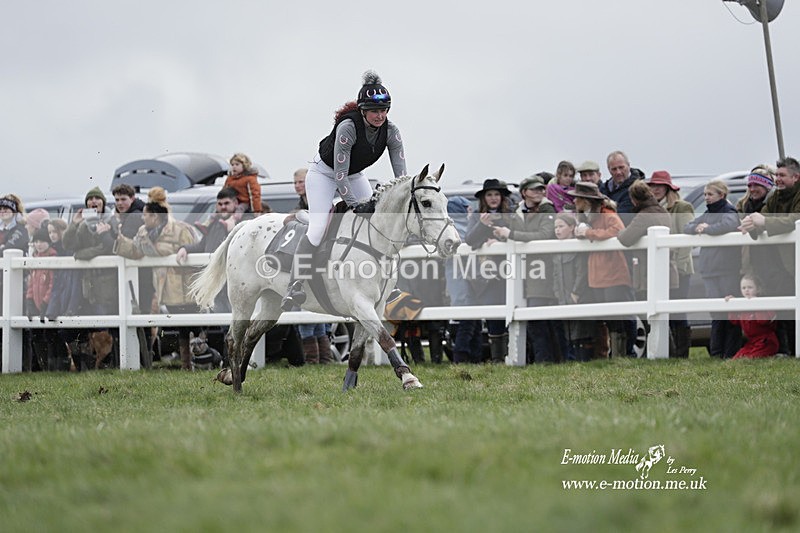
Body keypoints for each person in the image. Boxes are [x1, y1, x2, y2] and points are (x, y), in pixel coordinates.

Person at [281, 70, 407, 311]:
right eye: (374, 111)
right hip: (324, 174)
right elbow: (339, 175)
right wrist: (354, 204)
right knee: (318, 228)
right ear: (362, 110)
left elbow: (401, 175)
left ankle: (385, 282)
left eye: (383, 110)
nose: (380, 115)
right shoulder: (348, 128)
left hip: (354, 174)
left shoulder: (392, 132)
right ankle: (294, 283)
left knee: (374, 222)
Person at [114, 187, 198, 369]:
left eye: (145, 215)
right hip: (164, 286)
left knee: (192, 324)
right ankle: (186, 363)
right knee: (180, 325)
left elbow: (195, 251)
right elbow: (136, 251)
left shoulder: (181, 230)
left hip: (185, 284)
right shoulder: (143, 233)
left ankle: (196, 360)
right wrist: (118, 240)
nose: (142, 218)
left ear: (155, 216)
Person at [493, 174, 560, 363]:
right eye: (534, 189)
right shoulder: (519, 212)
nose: (539, 192)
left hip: (543, 273)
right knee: (534, 322)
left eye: (541, 189)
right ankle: (541, 360)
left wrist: (510, 234)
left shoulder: (547, 210)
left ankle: (546, 360)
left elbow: (544, 235)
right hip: (525, 274)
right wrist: (499, 238)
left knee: (542, 321)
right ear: (524, 193)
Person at [739, 157, 800, 354]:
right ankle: (788, 351)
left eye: (782, 175)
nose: (778, 179)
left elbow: (794, 220)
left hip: (793, 262)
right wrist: (751, 225)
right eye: (777, 175)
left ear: (796, 177)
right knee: (783, 311)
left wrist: (763, 222)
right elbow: (761, 218)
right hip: (781, 265)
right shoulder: (775, 197)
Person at [571, 182, 635, 357]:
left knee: (618, 316)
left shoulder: (607, 215)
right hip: (596, 273)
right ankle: (611, 353)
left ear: (586, 200)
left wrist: (589, 233)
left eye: (577, 198)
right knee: (606, 317)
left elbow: (618, 231)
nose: (574, 201)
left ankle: (623, 353)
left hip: (612, 271)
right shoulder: (585, 217)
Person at [684, 179, 742, 358]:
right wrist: (697, 227)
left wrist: (707, 229)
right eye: (705, 194)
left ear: (721, 195)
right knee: (716, 313)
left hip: (726, 269)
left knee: (730, 314)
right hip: (710, 269)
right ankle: (717, 352)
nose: (706, 198)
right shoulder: (708, 213)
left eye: (710, 194)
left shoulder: (729, 211)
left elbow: (728, 225)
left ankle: (730, 352)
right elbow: (687, 227)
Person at [645, 170, 695, 358]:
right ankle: (668, 352)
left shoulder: (681, 207)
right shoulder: (650, 209)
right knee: (661, 312)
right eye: (653, 186)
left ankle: (681, 354)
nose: (656, 189)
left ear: (668, 188)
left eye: (660, 186)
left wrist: (680, 267)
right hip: (660, 269)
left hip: (679, 268)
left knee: (677, 312)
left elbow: (687, 239)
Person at [465, 178, 514, 363]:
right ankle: (497, 358)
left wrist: (500, 240)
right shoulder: (478, 216)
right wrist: (482, 225)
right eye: (489, 195)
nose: (493, 198)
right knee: (494, 317)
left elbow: (517, 235)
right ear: (484, 198)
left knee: (512, 315)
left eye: (496, 194)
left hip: (509, 272)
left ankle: (513, 355)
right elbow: (470, 240)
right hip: (487, 275)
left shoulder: (510, 215)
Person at [62, 186, 118, 315]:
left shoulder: (112, 221)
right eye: (90, 199)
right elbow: (68, 245)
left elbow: (107, 248)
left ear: (103, 202)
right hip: (88, 286)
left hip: (108, 284)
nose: (93, 201)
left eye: (97, 198)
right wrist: (74, 224)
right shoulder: (83, 226)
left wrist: (81, 254)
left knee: (105, 320)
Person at [444, 196, 483, 364]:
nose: (470, 212)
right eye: (467, 209)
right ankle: (462, 355)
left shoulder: (452, 228)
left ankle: (473, 355)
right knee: (468, 318)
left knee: (471, 318)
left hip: (464, 278)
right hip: (464, 278)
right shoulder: (459, 230)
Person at [550, 212, 593, 360]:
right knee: (567, 333)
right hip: (562, 297)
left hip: (577, 296)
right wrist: (557, 292)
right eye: (556, 227)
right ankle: (570, 361)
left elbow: (582, 272)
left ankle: (583, 360)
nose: (557, 230)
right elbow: (555, 274)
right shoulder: (555, 249)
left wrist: (576, 292)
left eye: (561, 226)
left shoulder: (578, 246)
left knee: (580, 333)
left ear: (571, 227)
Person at [724, 274, 778, 359]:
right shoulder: (743, 305)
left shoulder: (764, 303)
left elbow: (763, 321)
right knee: (737, 358)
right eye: (743, 288)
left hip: (766, 342)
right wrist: (732, 304)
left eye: (750, 287)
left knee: (752, 358)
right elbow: (734, 321)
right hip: (751, 343)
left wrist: (755, 304)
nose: (746, 290)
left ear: (758, 289)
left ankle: (776, 355)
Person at [599, 150, 644, 220]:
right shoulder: (602, 189)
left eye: (621, 167)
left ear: (628, 165)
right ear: (609, 170)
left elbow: (623, 216)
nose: (618, 172)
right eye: (614, 169)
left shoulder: (637, 189)